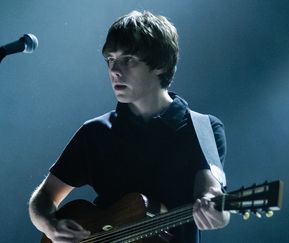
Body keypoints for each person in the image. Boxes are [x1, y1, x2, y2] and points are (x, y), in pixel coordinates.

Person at [29, 10, 230, 243]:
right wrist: (51, 227)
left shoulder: (203, 128)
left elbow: (212, 193)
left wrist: (217, 211)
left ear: (160, 65)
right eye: (111, 60)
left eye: (129, 60)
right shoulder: (95, 133)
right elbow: (44, 197)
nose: (114, 70)